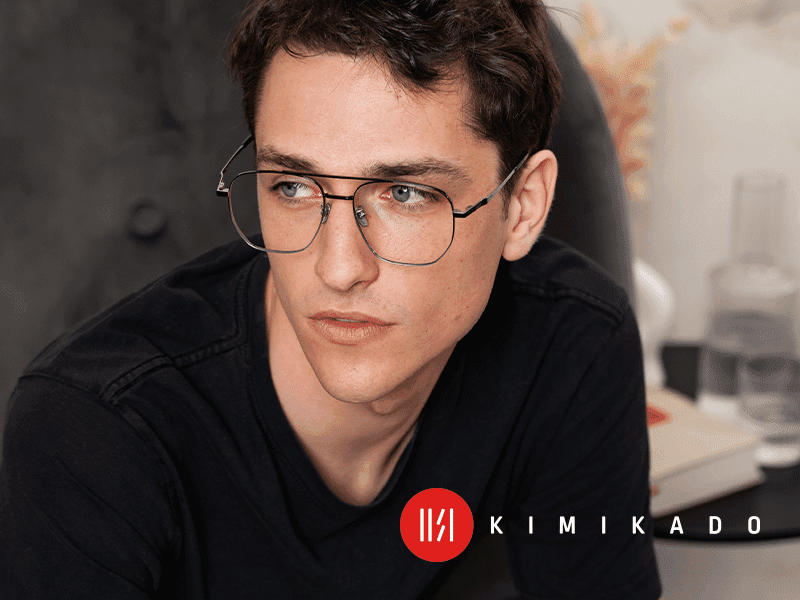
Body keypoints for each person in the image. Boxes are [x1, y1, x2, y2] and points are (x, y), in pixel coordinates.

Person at [0, 0, 662, 598]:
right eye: (292, 186)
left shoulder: (572, 338)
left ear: (522, 207)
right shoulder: (95, 432)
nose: (338, 268)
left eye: (406, 194)